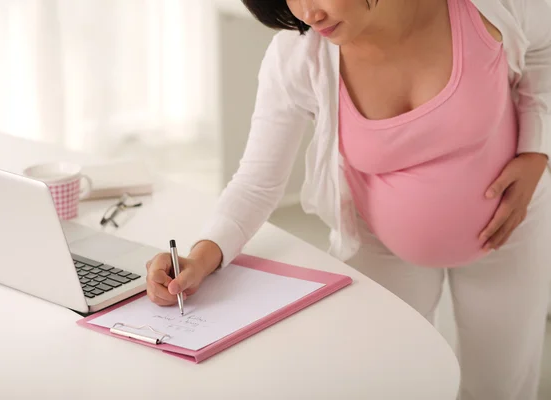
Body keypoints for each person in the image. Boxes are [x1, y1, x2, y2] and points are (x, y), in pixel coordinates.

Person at [146, 0, 551, 398]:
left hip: (511, 229)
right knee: (390, 383)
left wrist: (537, 150)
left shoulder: (491, 8)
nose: (308, 14)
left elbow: (544, 50)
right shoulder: (300, 55)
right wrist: (200, 257)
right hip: (380, 243)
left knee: (501, 386)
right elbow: (256, 182)